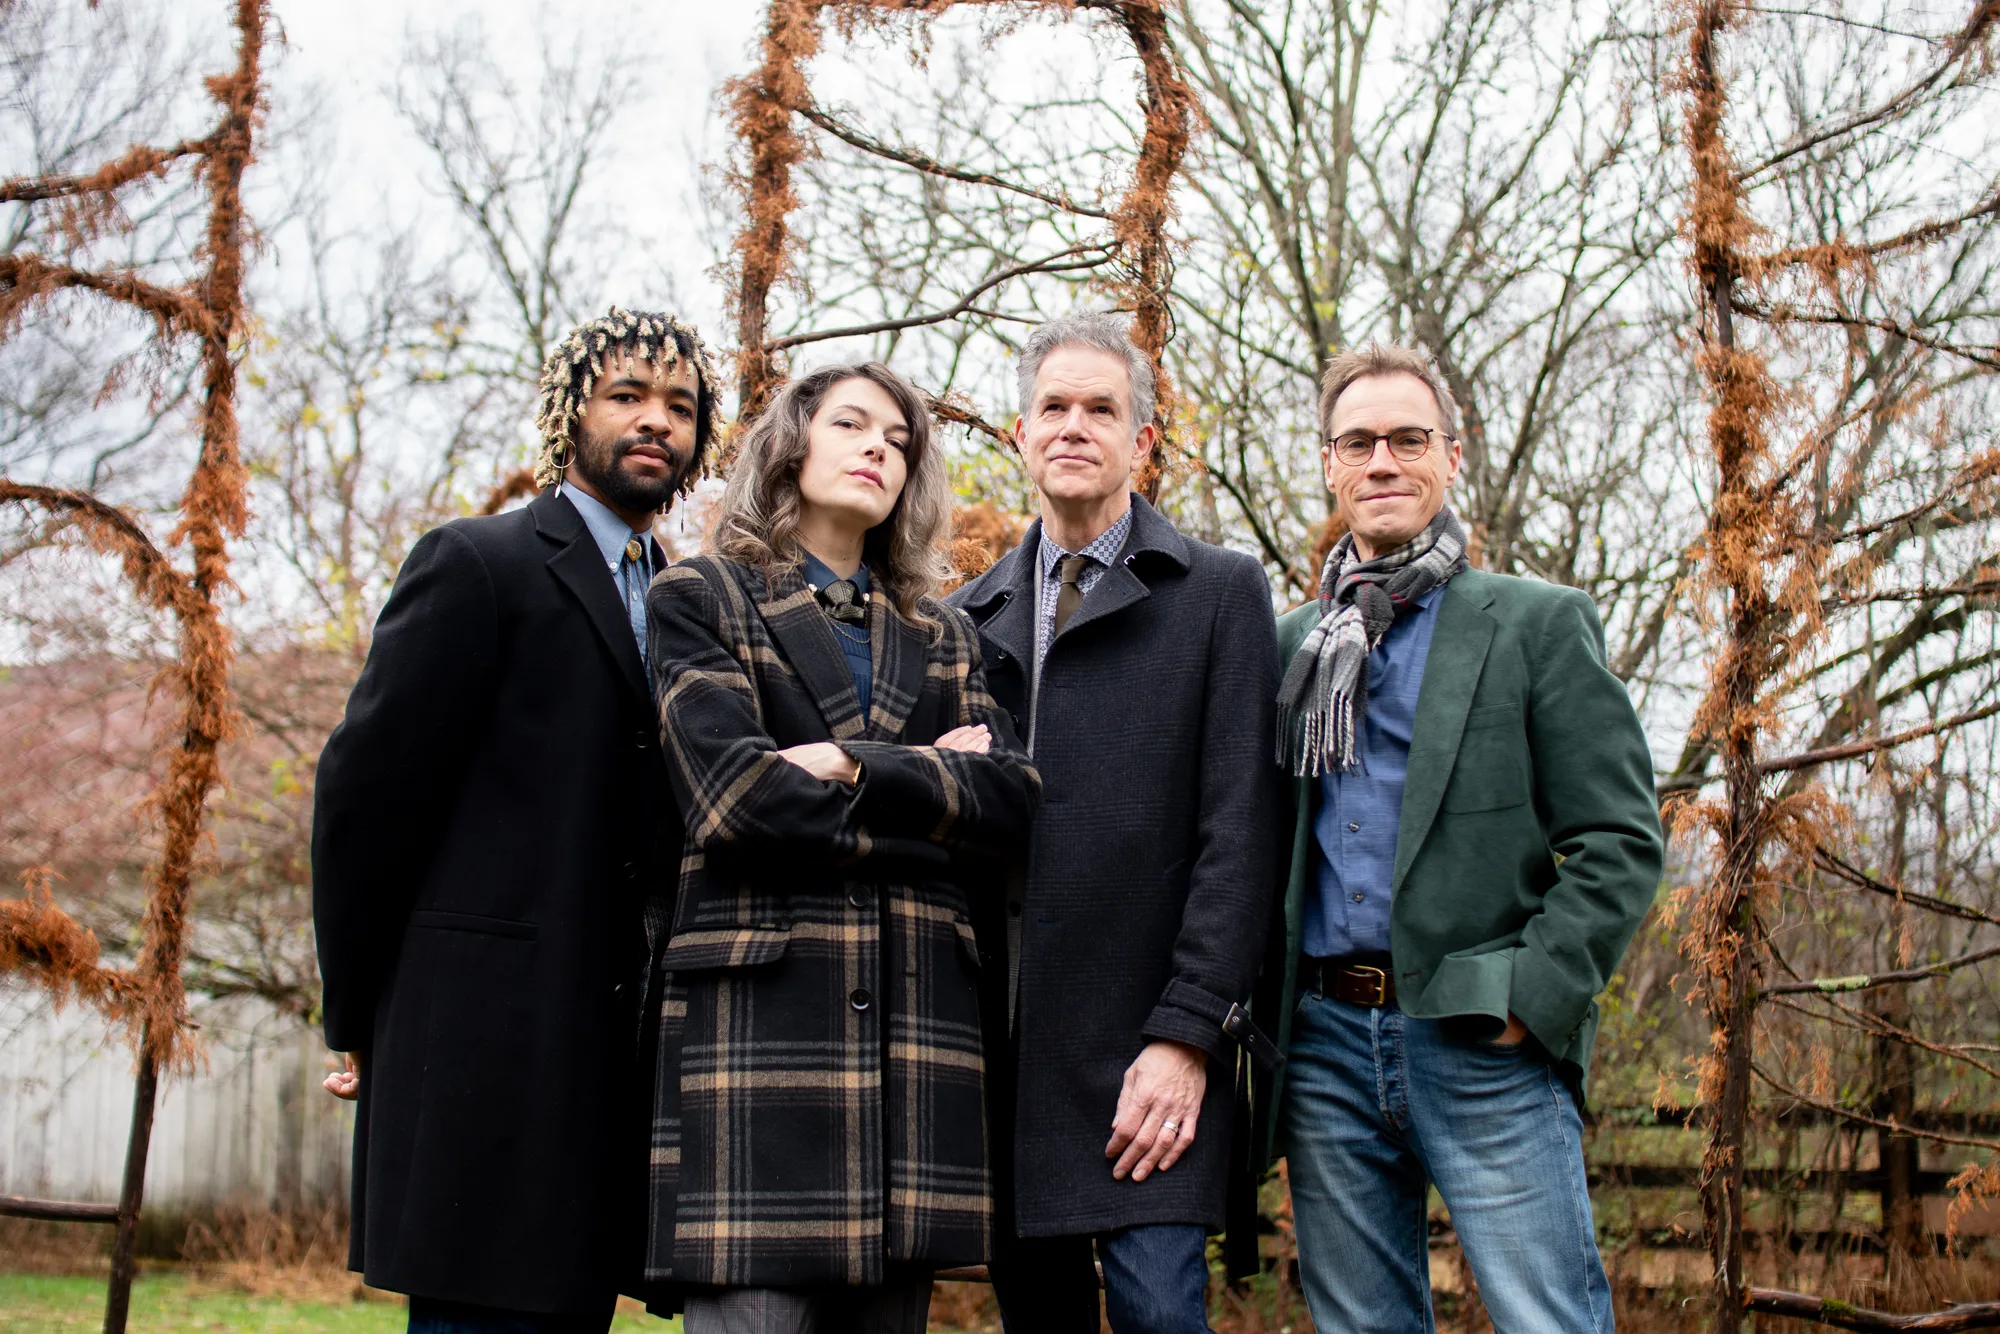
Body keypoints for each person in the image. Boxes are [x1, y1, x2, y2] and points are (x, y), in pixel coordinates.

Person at [313, 309, 719, 1333]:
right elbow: (365, 797)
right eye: (626, 395)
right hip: (479, 1051)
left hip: (612, 1063)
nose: (655, 421)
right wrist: (354, 1014)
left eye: (679, 406)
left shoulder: (688, 598)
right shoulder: (476, 562)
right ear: (570, 413)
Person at [1250, 342, 1664, 1332]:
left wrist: (1531, 994)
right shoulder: (1289, 644)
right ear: (1329, 463)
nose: (1382, 461)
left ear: (1451, 454)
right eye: (1358, 442)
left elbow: (1619, 838)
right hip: (1323, 1046)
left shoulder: (1535, 624)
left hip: (1481, 1038)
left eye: (1407, 438)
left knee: (1547, 1318)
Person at [640, 362, 1041, 1334]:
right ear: (792, 446)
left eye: (898, 441)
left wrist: (845, 764)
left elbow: (1008, 804)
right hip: (759, 1046)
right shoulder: (701, 598)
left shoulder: (944, 633)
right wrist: (922, 786)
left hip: (916, 1047)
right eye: (851, 425)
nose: (878, 449)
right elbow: (736, 801)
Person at [950, 314, 1283, 1334]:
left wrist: (1188, 1034)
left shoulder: (1219, 593)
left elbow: (1241, 835)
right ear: (1020, 433)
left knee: (1160, 1315)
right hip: (1007, 1062)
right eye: (1053, 406)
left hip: (1151, 1050)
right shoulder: (963, 619)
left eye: (1101, 408)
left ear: (1141, 438)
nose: (1073, 426)